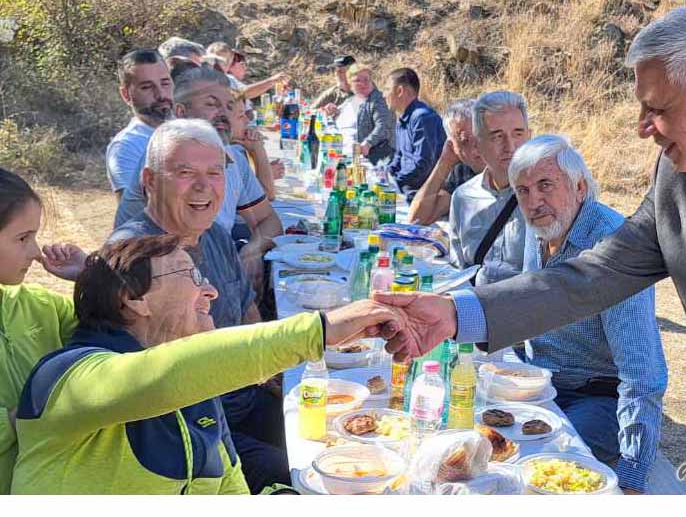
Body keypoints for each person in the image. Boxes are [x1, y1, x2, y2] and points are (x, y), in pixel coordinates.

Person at [377, 1, 686, 495]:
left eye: (657, 109)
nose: (642, 128)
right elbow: (595, 273)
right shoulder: (680, 177)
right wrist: (456, 314)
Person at [11, 234, 401, 494]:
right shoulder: (66, 377)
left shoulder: (197, 393)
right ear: (133, 297)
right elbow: (159, 378)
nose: (210, 290)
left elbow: (229, 489)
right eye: (192, 276)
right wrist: (321, 330)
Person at [107, 119, 284, 491]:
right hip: (190, 426)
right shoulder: (134, 257)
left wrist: (277, 377)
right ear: (150, 181)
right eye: (185, 173)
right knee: (296, 473)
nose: (204, 186)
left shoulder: (215, 234)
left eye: (215, 173)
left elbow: (247, 312)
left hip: (242, 395)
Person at [509, 135, 667, 494]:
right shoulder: (539, 231)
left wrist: (630, 480)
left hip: (597, 400)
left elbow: (643, 375)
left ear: (580, 187)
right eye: (523, 191)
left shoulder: (613, 248)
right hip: (540, 387)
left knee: (542, 469)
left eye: (545, 185)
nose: (534, 202)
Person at [114, 66, 282, 287]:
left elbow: (269, 221)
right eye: (212, 104)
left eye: (229, 106)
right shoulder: (166, 157)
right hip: (155, 278)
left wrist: (253, 250)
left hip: (208, 265)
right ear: (181, 112)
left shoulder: (233, 157)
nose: (224, 113)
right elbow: (180, 250)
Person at [0, 168, 93, 493]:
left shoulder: (43, 307)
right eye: (23, 238)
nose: (37, 251)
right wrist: (21, 418)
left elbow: (115, 340)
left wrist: (90, 277)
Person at [448, 91, 531, 285]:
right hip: (475, 308)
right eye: (497, 136)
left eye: (518, 134)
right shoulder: (463, 197)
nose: (510, 146)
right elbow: (457, 271)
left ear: (530, 136)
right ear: (477, 144)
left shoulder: (549, 196)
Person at [105, 49, 173, 200]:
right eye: (147, 87)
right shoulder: (126, 147)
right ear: (126, 94)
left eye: (165, 83)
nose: (161, 94)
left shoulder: (192, 128)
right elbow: (133, 215)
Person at [408, 98, 483, 225]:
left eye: (480, 137)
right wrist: (444, 162)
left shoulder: (509, 166)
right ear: (452, 146)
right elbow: (417, 219)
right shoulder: (462, 170)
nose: (475, 150)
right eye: (465, 142)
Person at [383, 68, 446, 202]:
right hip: (405, 188)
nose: (384, 95)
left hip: (420, 195)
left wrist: (396, 180)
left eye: (387, 89)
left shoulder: (422, 118)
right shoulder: (404, 117)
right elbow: (400, 155)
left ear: (400, 91)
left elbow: (423, 165)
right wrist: (387, 173)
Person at [206, 42, 289, 105]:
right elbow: (243, 93)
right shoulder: (202, 80)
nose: (218, 65)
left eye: (224, 61)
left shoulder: (230, 80)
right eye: (214, 60)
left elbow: (246, 95)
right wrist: (271, 81)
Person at [348, 64, 395, 165]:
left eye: (366, 79)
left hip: (376, 157)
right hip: (347, 153)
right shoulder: (352, 100)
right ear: (350, 84)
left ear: (372, 81)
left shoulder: (379, 100)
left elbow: (383, 126)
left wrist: (369, 143)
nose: (363, 83)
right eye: (357, 81)